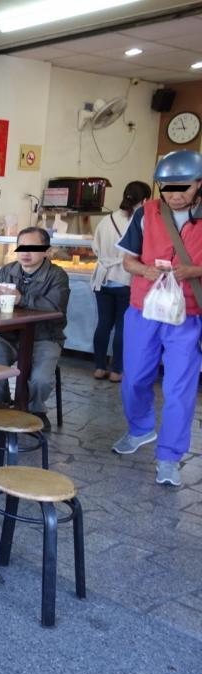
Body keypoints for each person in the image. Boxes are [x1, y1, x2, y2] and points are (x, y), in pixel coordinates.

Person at [112, 150, 202, 487]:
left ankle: (169, 457)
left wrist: (193, 270)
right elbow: (128, 262)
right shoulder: (146, 213)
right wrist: (147, 270)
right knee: (134, 377)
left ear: (199, 184)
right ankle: (140, 429)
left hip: (188, 315)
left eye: (184, 188)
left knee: (179, 388)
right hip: (143, 309)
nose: (175, 195)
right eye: (167, 187)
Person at [0, 227, 70, 430]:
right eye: (22, 246)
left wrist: (22, 299)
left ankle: (35, 410)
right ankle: (0, 407)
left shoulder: (57, 275)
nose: (25, 252)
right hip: (10, 336)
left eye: (33, 247)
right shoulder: (8, 270)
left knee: (40, 379)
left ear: (47, 251)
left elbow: (56, 307)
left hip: (45, 337)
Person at [91, 181, 151, 383]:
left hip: (103, 279)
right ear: (145, 201)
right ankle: (117, 370)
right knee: (122, 327)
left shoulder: (106, 220)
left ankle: (99, 367)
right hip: (126, 279)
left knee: (103, 325)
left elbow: (95, 248)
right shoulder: (141, 222)